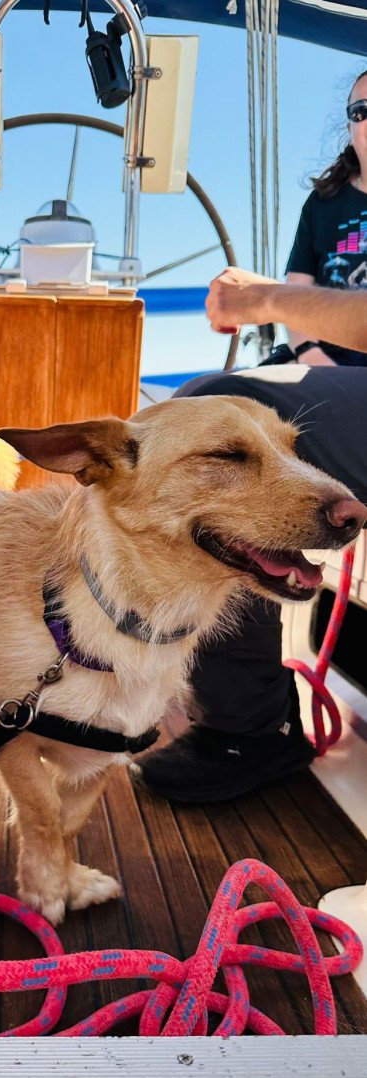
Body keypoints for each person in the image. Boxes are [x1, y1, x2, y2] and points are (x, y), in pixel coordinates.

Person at [140, 265, 367, 804]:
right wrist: (310, 349)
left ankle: (250, 728)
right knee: (199, 404)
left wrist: (262, 298)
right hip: (331, 372)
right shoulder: (324, 203)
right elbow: (309, 323)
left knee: (214, 397)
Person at [282, 69, 367, 369]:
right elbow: (296, 293)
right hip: (322, 362)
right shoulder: (321, 204)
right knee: (207, 389)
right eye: (362, 111)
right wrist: (310, 354)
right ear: (349, 126)